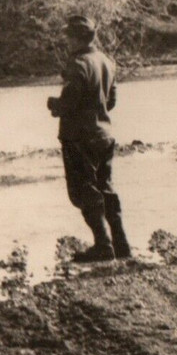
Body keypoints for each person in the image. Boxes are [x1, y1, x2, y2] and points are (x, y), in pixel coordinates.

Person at [47, 15, 130, 262]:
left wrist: (54, 105)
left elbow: (69, 102)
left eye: (69, 36)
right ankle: (121, 243)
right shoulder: (107, 61)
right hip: (104, 135)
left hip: (79, 138)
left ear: (77, 38)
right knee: (106, 189)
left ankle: (103, 245)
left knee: (83, 191)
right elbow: (111, 101)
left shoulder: (78, 64)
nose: (66, 41)